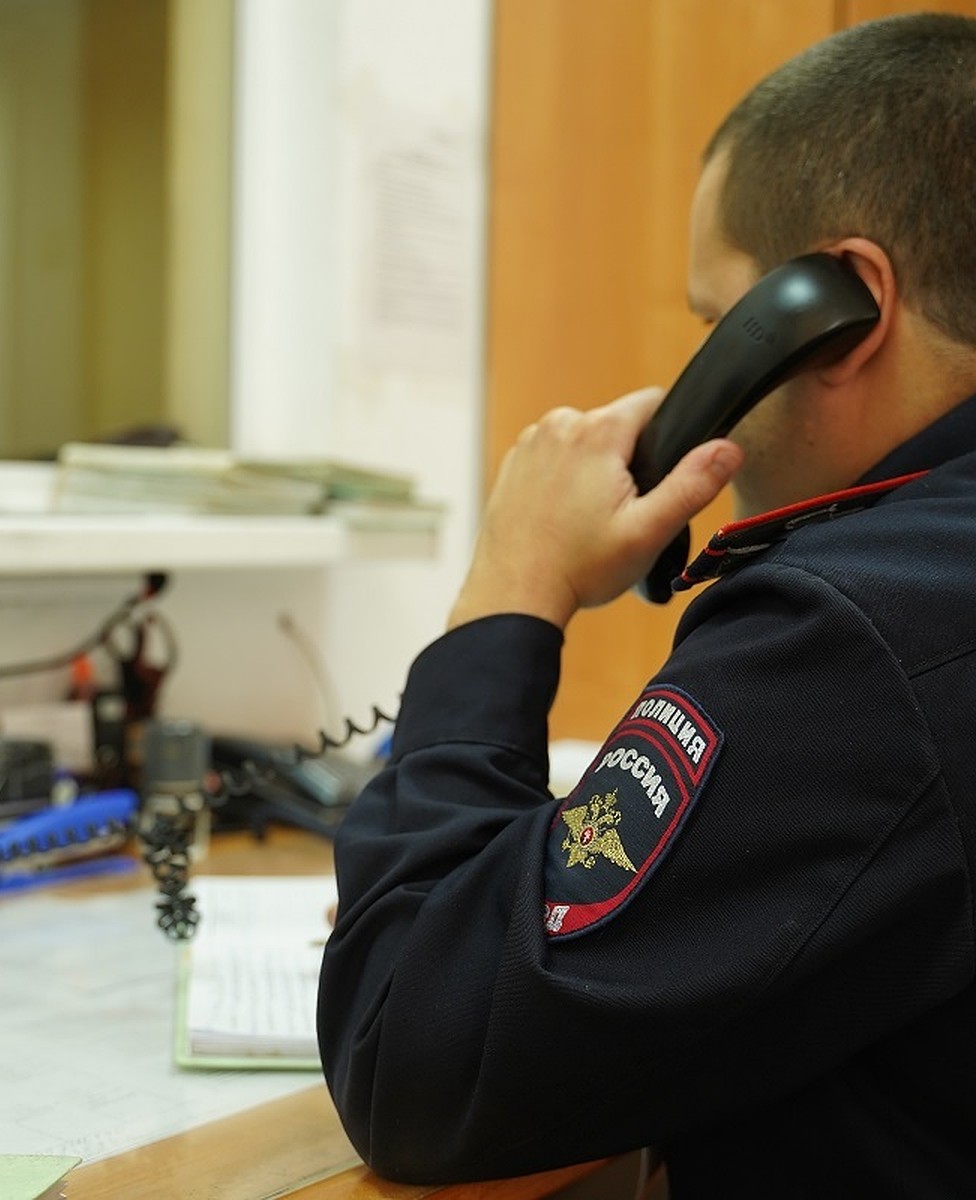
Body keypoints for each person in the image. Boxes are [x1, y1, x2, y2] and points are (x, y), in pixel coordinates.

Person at [315, 13, 976, 1198]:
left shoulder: (859, 638)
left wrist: (513, 585)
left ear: (839, 312)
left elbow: (411, 1056)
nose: (695, 374)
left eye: (710, 317)